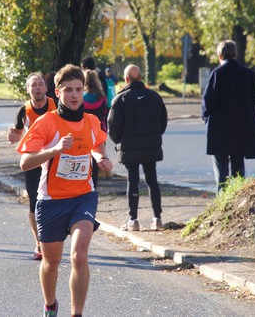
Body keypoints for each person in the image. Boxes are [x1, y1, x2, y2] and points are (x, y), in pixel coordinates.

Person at [16, 64, 112, 317]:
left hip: (83, 197)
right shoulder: (47, 122)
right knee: (51, 263)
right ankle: (50, 304)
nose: (74, 95)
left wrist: (102, 159)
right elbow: (25, 162)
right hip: (51, 200)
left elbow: (97, 146)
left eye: (79, 89)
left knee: (79, 256)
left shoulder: (91, 121)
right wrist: (55, 149)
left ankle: (76, 313)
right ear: (57, 93)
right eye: (68, 90)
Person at [107, 64, 168, 231]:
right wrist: (154, 137)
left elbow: (113, 126)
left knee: (132, 180)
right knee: (152, 180)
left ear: (126, 79)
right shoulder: (155, 97)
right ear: (141, 78)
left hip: (129, 147)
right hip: (150, 146)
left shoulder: (120, 99)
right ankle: (157, 219)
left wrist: (119, 141)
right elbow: (163, 122)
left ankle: (133, 220)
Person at [201, 40, 255, 193]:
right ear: (235, 54)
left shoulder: (217, 73)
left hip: (219, 128)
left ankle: (222, 196)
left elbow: (208, 101)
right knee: (238, 164)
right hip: (242, 126)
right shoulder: (248, 74)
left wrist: (205, 117)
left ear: (220, 55)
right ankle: (238, 193)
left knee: (221, 167)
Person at [7, 72, 57, 260]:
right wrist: (14, 137)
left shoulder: (56, 106)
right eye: (33, 85)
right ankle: (39, 243)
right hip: (34, 160)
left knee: (55, 200)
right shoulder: (24, 111)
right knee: (35, 202)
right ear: (28, 89)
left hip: (54, 160)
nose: (37, 88)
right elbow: (18, 133)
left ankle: (53, 239)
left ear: (45, 88)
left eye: (40, 84)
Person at [83, 69, 108, 188]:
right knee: (97, 160)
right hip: (99, 132)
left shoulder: (81, 99)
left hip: (84, 132)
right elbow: (105, 115)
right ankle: (94, 186)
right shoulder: (102, 98)